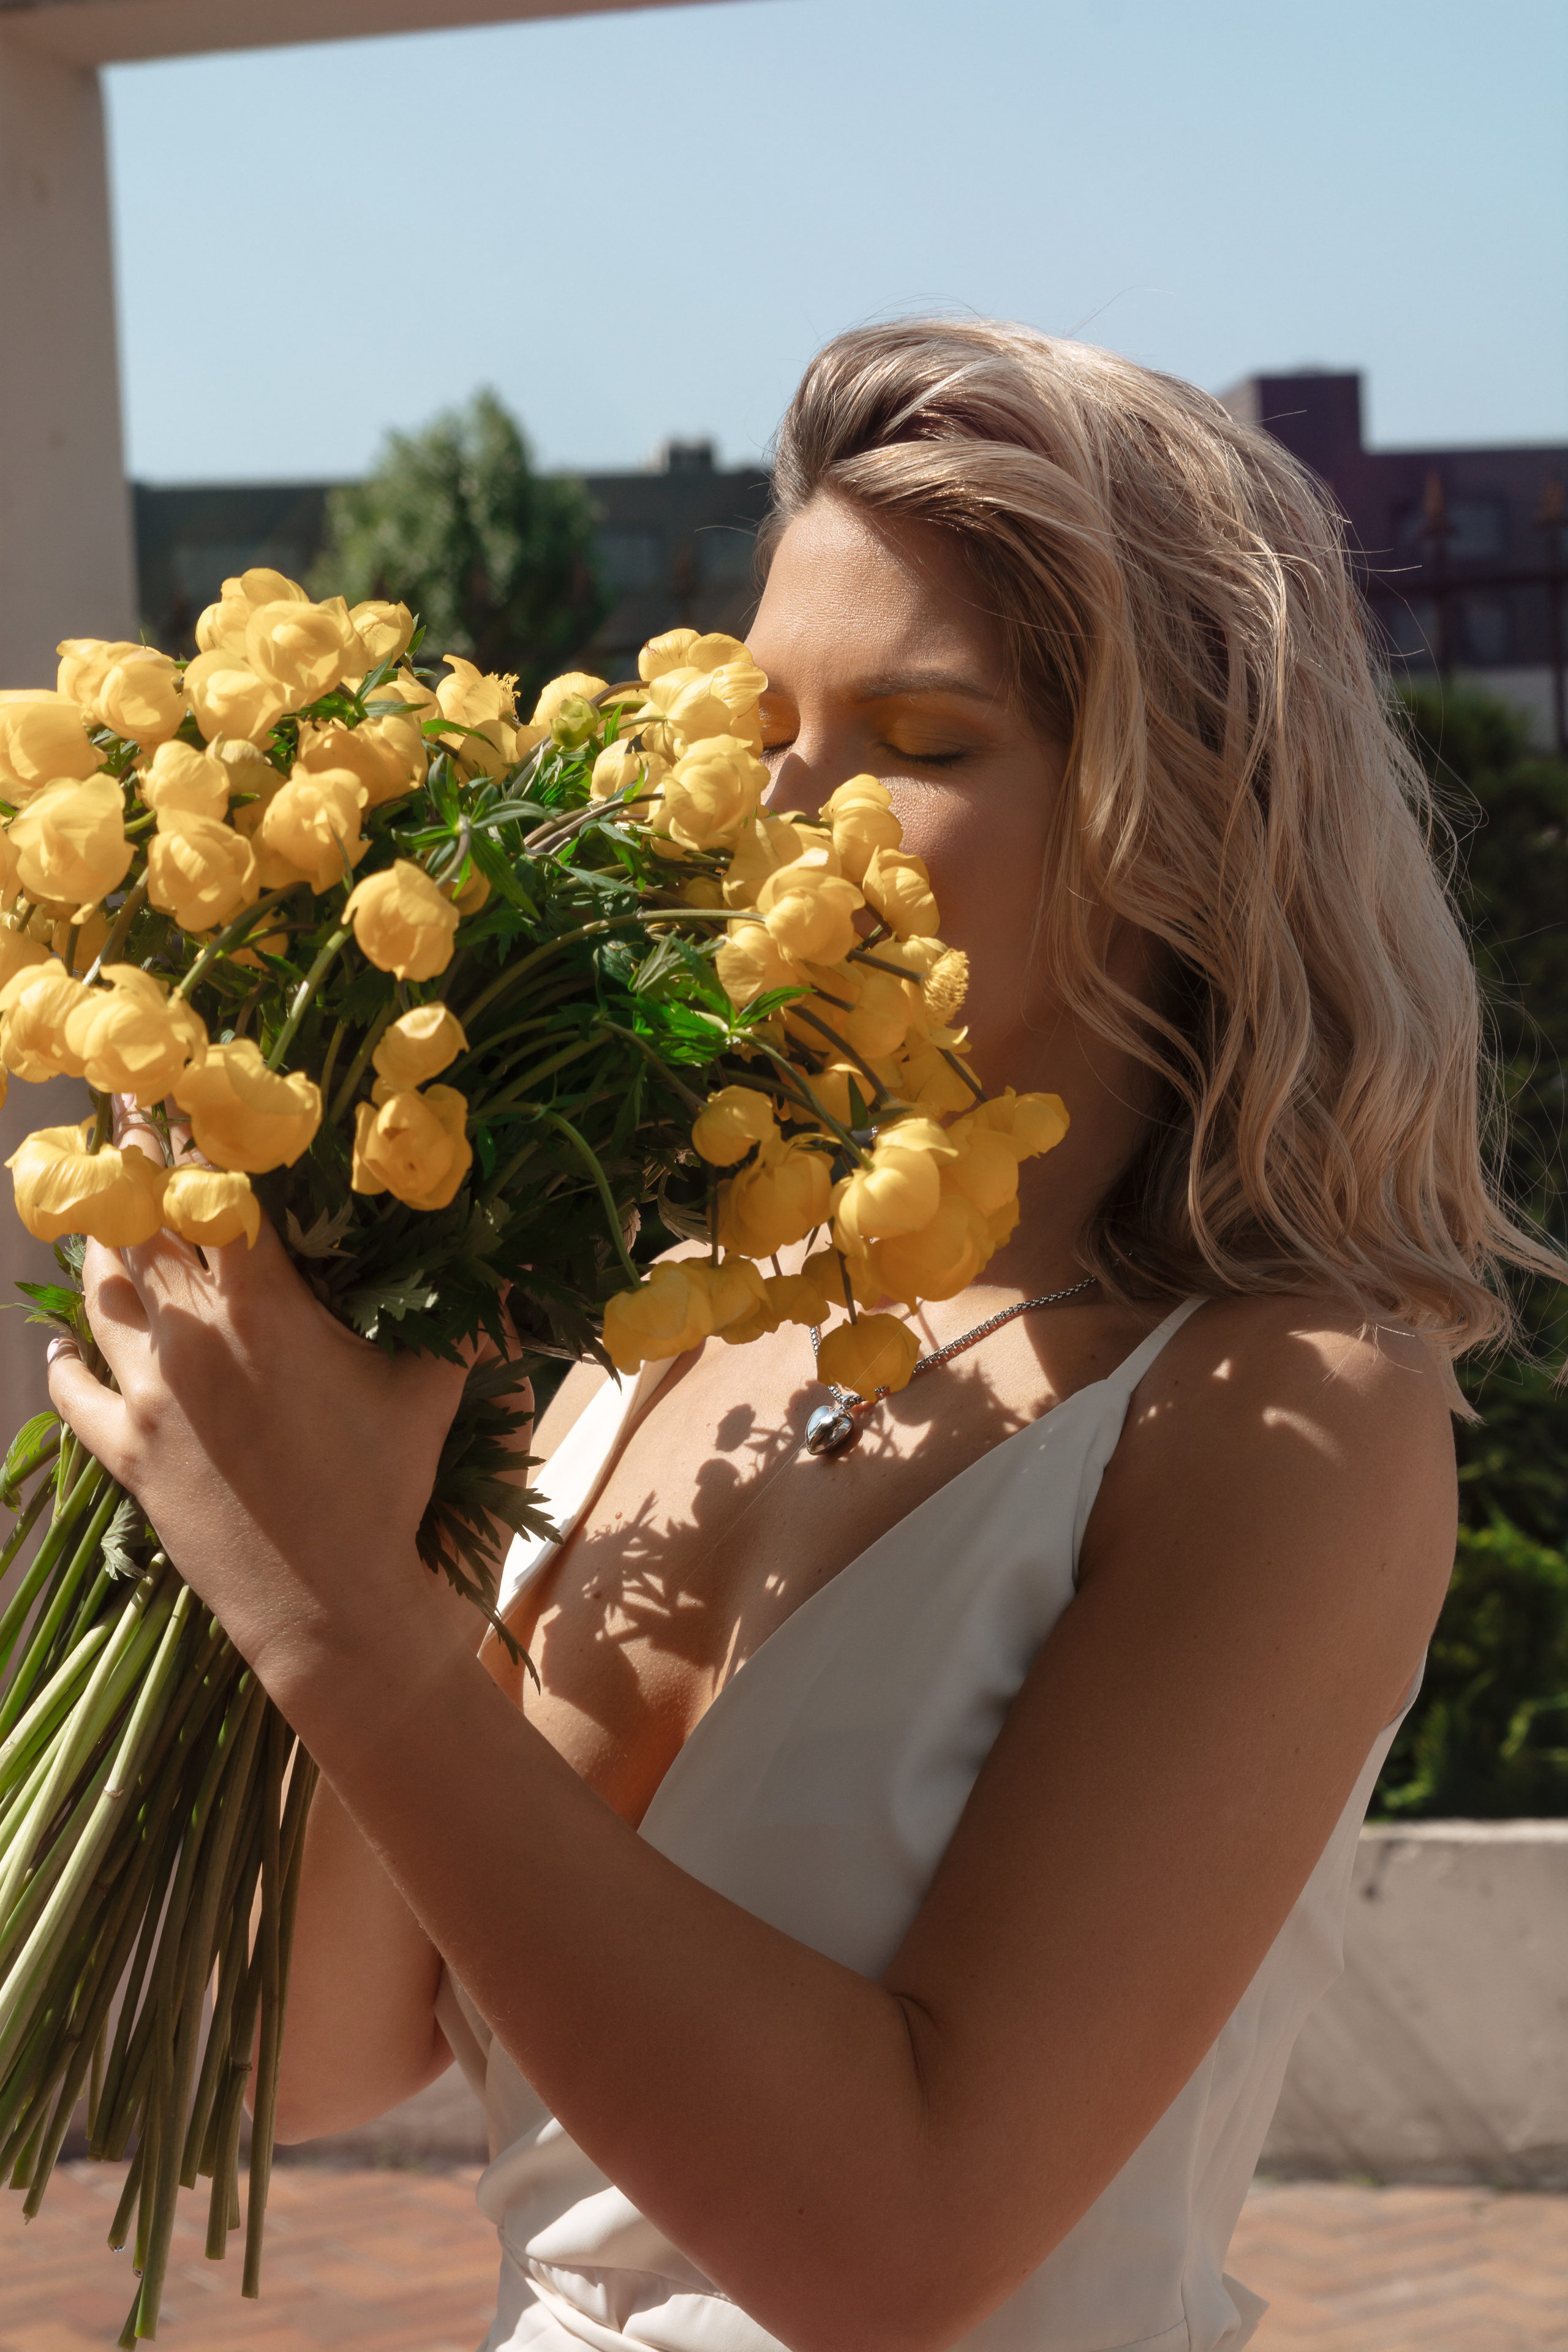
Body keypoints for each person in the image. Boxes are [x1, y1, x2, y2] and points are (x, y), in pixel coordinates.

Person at [47, 319, 1556, 2352]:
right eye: (758, 728)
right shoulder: (655, 1342)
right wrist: (293, 1490)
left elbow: (897, 2246)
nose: (788, 811)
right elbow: (312, 2061)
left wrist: (340, 1616)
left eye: (923, 744)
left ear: (1174, 828)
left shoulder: (1285, 1411)